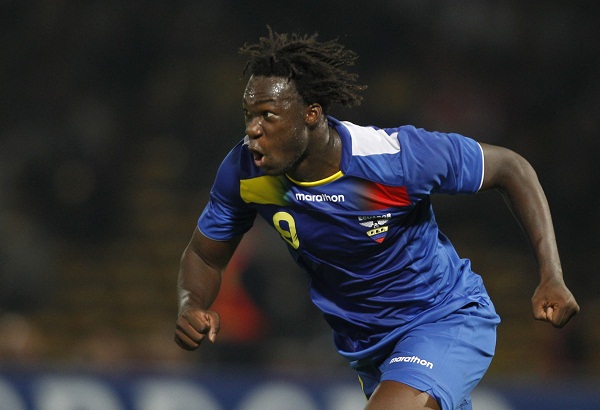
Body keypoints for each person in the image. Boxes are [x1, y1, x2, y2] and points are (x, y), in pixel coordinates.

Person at [174, 28, 580, 410]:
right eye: (248, 115)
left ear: (311, 114)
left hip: (442, 318)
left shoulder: (393, 158)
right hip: (369, 348)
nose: (253, 130)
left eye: (268, 115)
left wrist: (551, 275)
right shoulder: (244, 172)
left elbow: (511, 167)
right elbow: (205, 255)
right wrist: (192, 303)